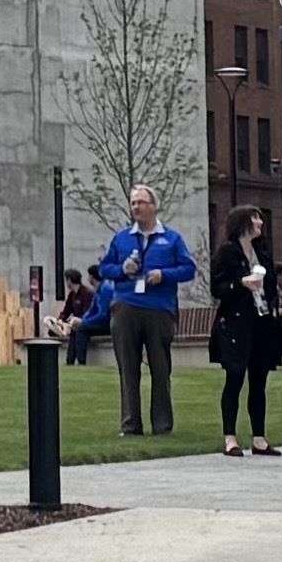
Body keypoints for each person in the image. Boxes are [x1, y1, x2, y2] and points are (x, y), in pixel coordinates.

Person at [90, 185, 194, 440]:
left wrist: (164, 275)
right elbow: (104, 269)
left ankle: (162, 424)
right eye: (133, 203)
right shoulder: (122, 238)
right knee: (128, 368)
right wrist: (121, 269)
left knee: (160, 368)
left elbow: (189, 269)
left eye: (141, 202)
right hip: (126, 305)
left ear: (153, 206)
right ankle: (130, 425)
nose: (136, 207)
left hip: (158, 309)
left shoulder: (171, 239)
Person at [206, 207, 282, 456]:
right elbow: (217, 287)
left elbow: (270, 289)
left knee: (259, 381)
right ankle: (230, 438)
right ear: (243, 222)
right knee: (234, 378)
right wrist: (240, 283)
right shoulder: (228, 252)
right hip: (236, 323)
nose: (260, 222)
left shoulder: (263, 254)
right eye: (255, 218)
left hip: (261, 322)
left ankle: (259, 437)